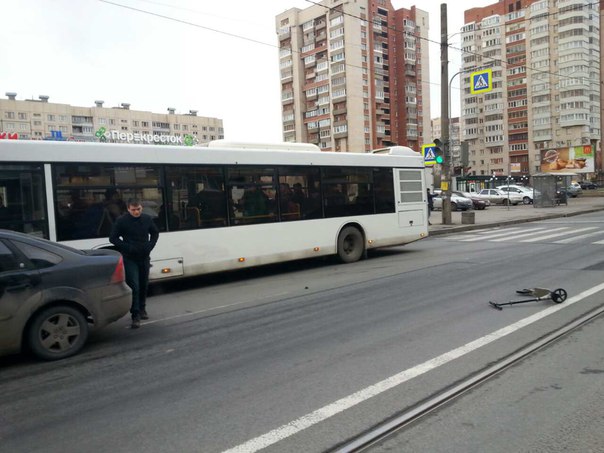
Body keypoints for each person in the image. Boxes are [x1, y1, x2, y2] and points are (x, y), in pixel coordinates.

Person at [110, 198, 159, 329]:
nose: (136, 212)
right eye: (133, 210)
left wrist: (150, 246)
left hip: (144, 256)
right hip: (130, 258)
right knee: (134, 286)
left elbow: (155, 233)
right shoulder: (122, 221)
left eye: (138, 209)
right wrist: (127, 247)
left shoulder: (147, 219)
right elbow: (113, 238)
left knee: (144, 284)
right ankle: (135, 314)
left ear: (141, 208)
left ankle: (142, 309)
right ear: (128, 209)